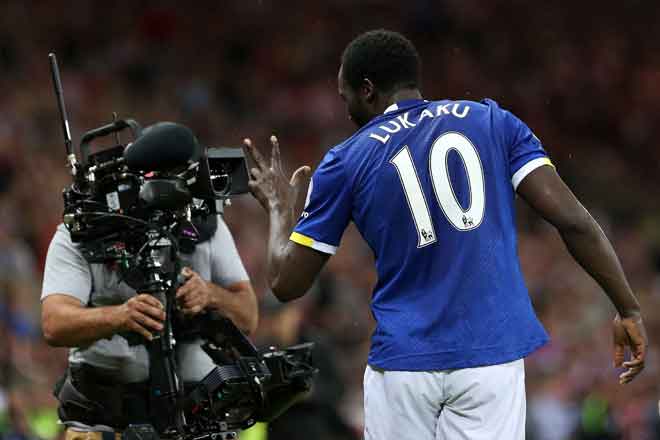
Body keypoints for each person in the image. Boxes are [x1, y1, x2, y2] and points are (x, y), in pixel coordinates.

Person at [243, 29, 648, 439]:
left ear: (366, 90)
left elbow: (285, 283)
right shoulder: (492, 122)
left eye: (344, 94)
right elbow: (574, 221)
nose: (344, 107)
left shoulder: (346, 160)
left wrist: (279, 210)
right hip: (489, 356)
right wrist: (627, 308)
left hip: (404, 364)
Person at [40, 212, 257, 438]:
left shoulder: (204, 224)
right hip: (107, 420)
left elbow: (248, 317)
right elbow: (54, 324)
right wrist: (118, 316)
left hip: (200, 420)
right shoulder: (79, 232)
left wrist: (210, 294)